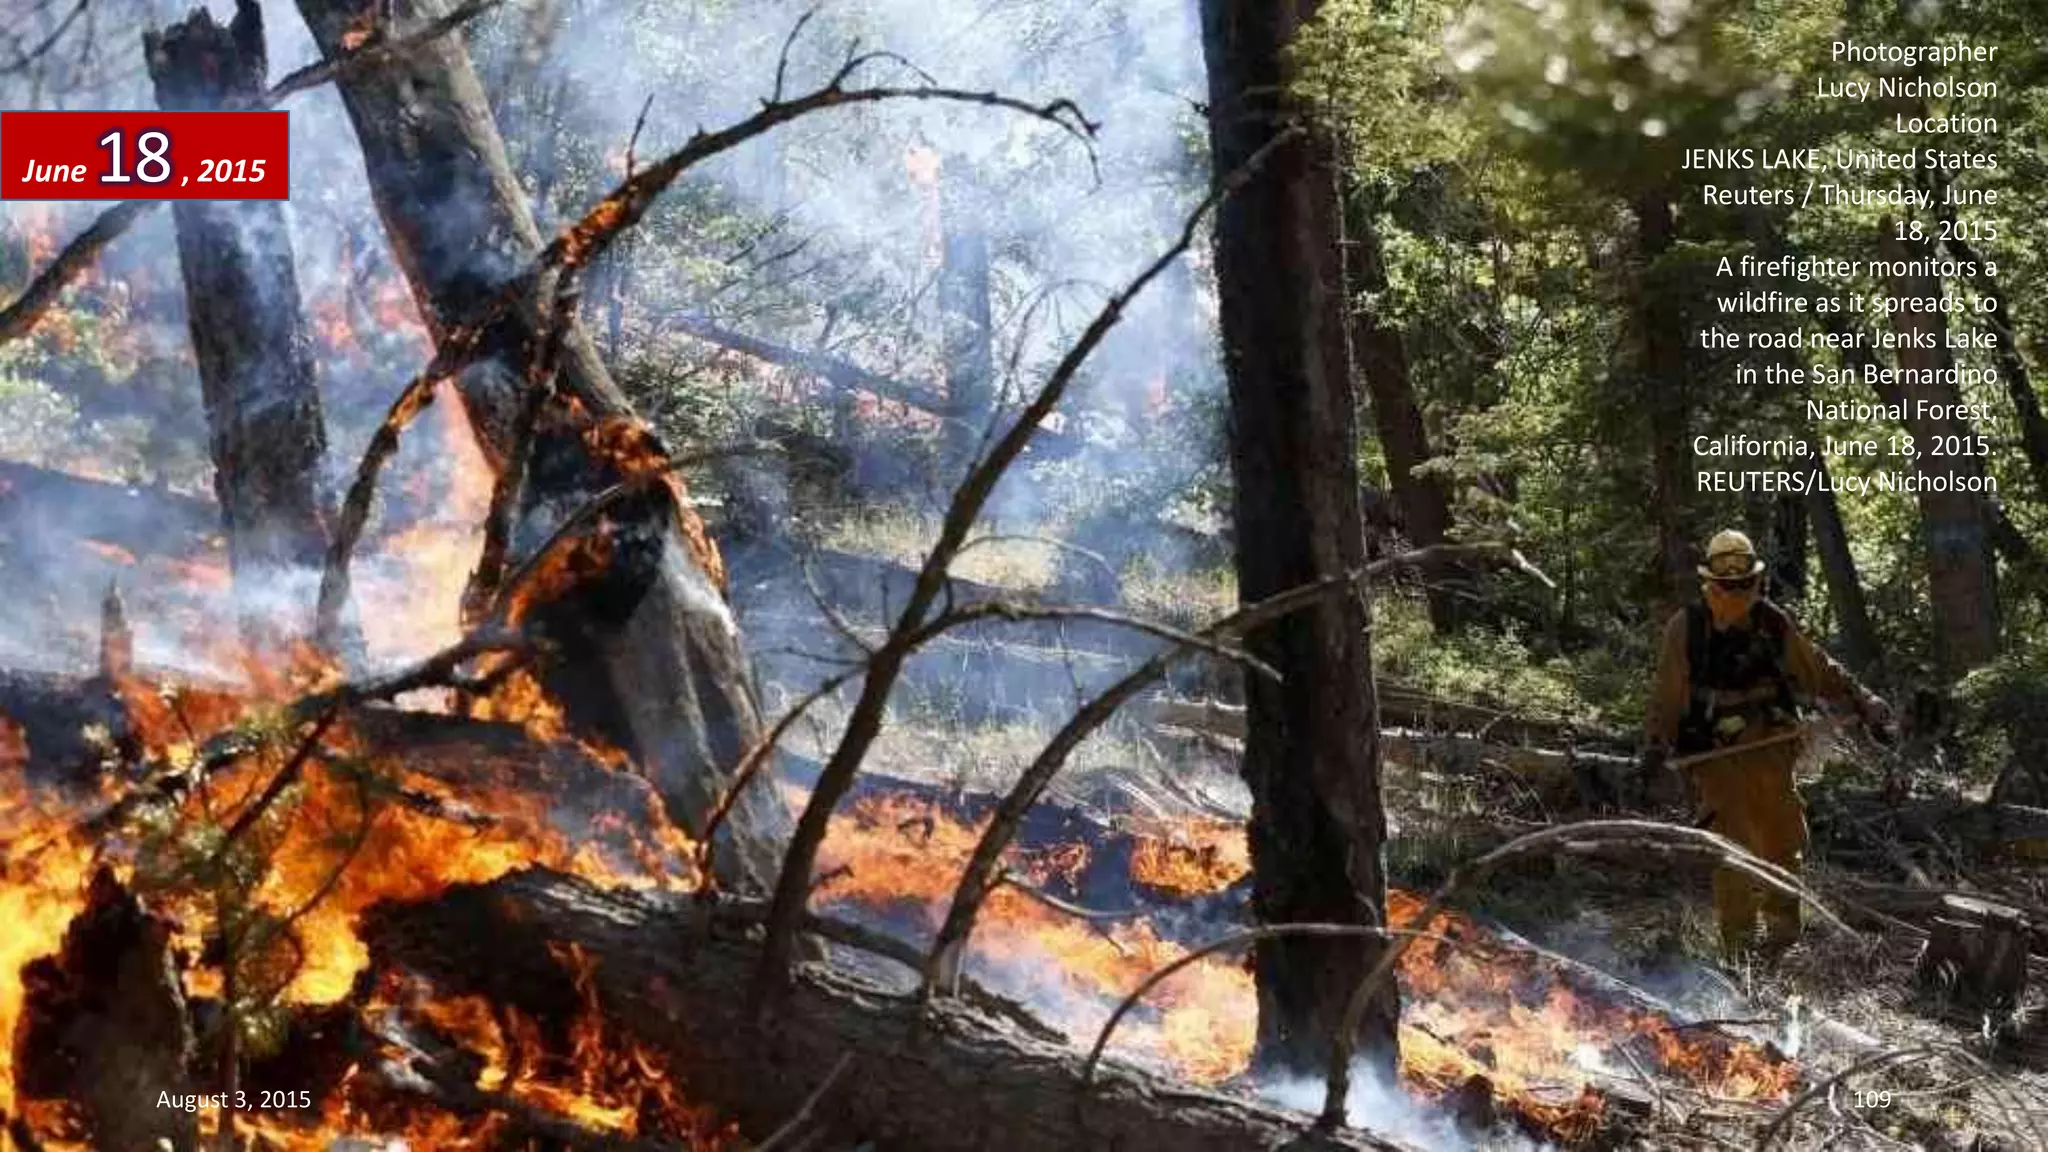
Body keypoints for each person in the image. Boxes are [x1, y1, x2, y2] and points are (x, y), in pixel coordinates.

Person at [1642, 529, 1894, 961]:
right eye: (1729, 586)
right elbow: (1668, 694)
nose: (1738, 594)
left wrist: (1863, 700)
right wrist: (1654, 746)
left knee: (1783, 836)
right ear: (1711, 584)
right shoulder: (1686, 629)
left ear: (1756, 581)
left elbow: (1817, 668)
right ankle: (1737, 951)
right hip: (1713, 749)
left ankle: (1782, 936)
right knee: (1733, 846)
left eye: (1745, 585)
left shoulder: (1772, 622)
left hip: (1770, 741)